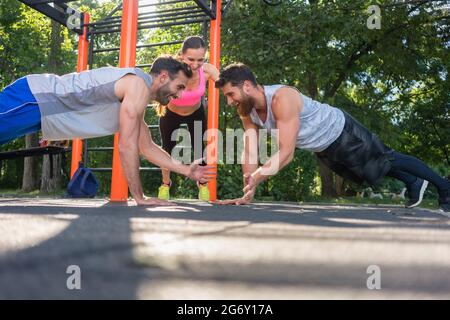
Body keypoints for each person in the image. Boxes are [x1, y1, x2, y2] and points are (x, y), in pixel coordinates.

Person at [214, 63, 450, 212]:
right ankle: (414, 182)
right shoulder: (246, 111)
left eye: (230, 94)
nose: (229, 101)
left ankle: (445, 188)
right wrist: (249, 189)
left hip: (341, 131)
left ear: (246, 85)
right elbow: (250, 149)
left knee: (389, 158)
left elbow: (286, 152)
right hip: (324, 147)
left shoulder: (281, 98)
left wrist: (257, 176)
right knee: (373, 170)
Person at [0, 55, 215, 206]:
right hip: (35, 98)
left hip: (41, 114)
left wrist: (187, 170)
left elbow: (147, 148)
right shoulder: (138, 84)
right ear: (163, 77)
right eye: (179, 87)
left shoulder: (137, 99)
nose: (179, 96)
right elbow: (127, 146)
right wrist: (139, 196)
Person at [155, 36, 219, 201]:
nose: (195, 64)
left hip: (195, 113)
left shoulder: (206, 70)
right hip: (171, 113)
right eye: (191, 59)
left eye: (200, 59)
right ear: (182, 55)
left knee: (199, 149)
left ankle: (202, 184)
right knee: (167, 150)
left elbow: (225, 83)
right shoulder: (172, 71)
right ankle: (165, 184)